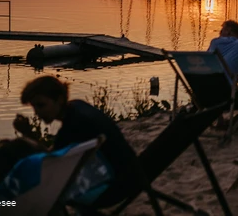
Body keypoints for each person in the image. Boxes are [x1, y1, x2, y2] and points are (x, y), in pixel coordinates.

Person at [12, 76, 142, 207]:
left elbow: (48, 163)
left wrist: (28, 134)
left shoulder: (73, 125)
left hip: (115, 188)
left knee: (41, 193)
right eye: (34, 107)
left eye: (41, 105)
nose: (37, 113)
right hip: (131, 175)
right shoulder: (78, 107)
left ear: (60, 100)